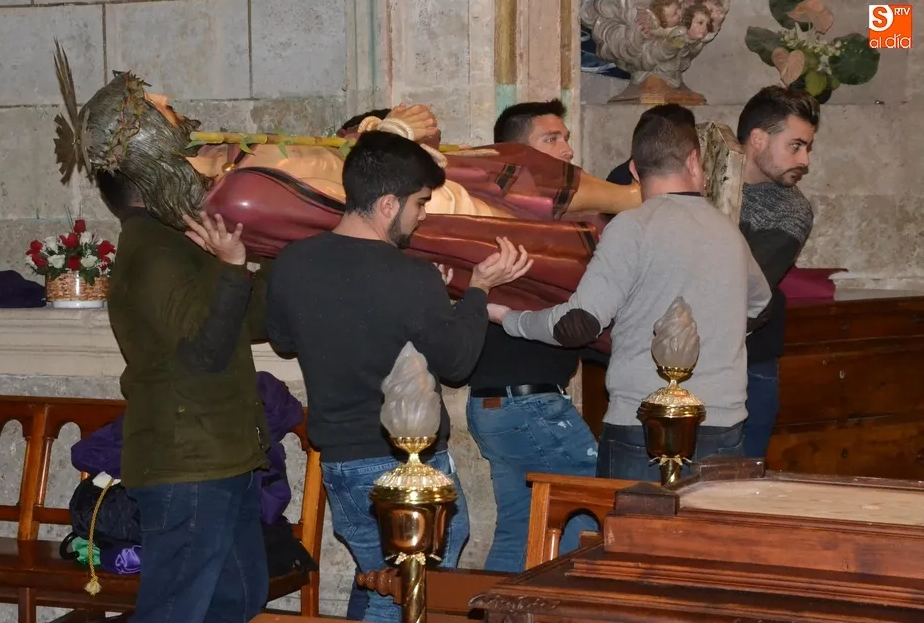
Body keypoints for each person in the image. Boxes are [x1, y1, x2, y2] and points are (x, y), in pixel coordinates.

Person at [266, 130, 532, 623]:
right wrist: (478, 291)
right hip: (406, 466)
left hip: (339, 461)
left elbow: (282, 339)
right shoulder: (411, 275)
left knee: (377, 580)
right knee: (413, 592)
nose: (423, 215)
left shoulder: (292, 261)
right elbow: (457, 364)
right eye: (420, 203)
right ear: (388, 204)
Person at [487, 104, 772, 482]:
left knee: (634, 524)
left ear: (635, 171)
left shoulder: (631, 227)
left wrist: (508, 317)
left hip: (644, 426)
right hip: (721, 423)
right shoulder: (728, 233)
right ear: (694, 162)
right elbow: (761, 306)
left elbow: (578, 324)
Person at [102, 169, 271, 623]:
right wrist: (231, 267)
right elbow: (204, 353)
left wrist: (273, 248)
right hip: (189, 463)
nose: (198, 177)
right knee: (176, 611)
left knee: (239, 596)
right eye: (181, 165)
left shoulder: (178, 241)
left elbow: (250, 323)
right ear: (152, 178)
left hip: (220, 455)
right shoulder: (153, 250)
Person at [466, 99, 599, 573]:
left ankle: (496, 605)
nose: (567, 150)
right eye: (551, 139)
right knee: (593, 513)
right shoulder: (510, 225)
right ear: (517, 155)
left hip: (497, 405)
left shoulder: (503, 218)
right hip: (529, 405)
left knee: (520, 531)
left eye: (566, 138)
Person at [736, 85, 820, 458]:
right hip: (672, 360)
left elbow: (737, 285)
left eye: (808, 148)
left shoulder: (791, 211)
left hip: (748, 368)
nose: (805, 160)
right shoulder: (692, 174)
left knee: (736, 484)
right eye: (795, 146)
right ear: (758, 139)